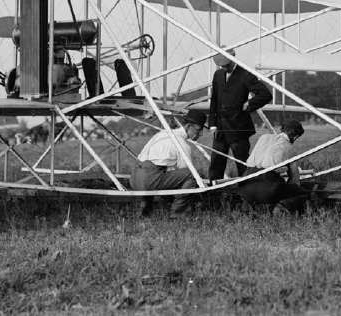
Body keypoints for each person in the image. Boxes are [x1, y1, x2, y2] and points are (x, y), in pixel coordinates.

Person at [208, 47, 272, 181]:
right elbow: (214, 100)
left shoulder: (245, 75)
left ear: (233, 59)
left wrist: (249, 104)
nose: (225, 68)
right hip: (220, 129)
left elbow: (265, 95)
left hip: (238, 127)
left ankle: (246, 190)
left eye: (227, 65)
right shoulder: (218, 75)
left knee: (242, 162)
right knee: (216, 164)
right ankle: (213, 193)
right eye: (222, 65)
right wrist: (213, 125)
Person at [130, 109, 206, 218]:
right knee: (195, 174)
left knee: (158, 174)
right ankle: (178, 213)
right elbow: (188, 173)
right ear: (188, 126)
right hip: (149, 180)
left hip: (134, 178)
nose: (201, 134)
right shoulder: (183, 145)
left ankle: (144, 210)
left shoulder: (163, 133)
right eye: (199, 130)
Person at [237, 119, 309, 216]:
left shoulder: (263, 137)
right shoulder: (290, 147)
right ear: (295, 136)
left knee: (252, 190)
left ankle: (247, 208)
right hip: (268, 185)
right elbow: (294, 179)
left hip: (245, 185)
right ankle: (281, 208)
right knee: (301, 193)